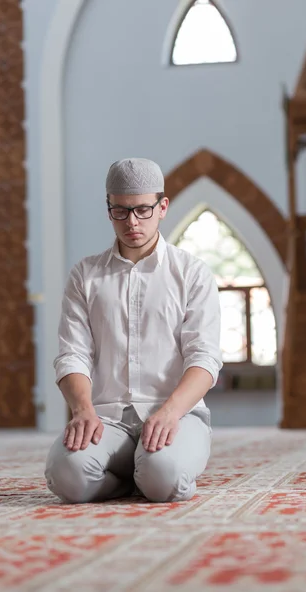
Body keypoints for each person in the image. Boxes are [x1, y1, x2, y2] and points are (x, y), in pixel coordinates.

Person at [45, 158, 222, 504]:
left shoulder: (192, 273)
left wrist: (170, 412)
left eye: (143, 210)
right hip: (107, 419)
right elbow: (72, 355)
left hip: (177, 415)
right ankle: (130, 480)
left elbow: (205, 358)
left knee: (164, 477)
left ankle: (147, 471)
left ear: (162, 207)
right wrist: (82, 410)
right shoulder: (85, 275)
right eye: (121, 211)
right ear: (108, 208)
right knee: (65, 476)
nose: (132, 222)